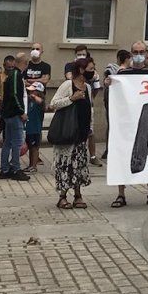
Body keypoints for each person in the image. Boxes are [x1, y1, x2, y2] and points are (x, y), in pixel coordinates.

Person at [109, 42, 148, 207]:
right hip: (127, 122)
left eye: (141, 51)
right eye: (135, 52)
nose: (139, 54)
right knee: (123, 154)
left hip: (147, 120)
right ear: (131, 54)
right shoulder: (123, 74)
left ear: (146, 53)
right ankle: (121, 194)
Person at [50, 57, 93, 209]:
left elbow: (89, 109)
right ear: (81, 70)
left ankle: (78, 195)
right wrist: (71, 98)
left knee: (79, 165)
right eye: (90, 68)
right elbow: (53, 103)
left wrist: (90, 128)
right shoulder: (68, 85)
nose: (92, 72)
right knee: (66, 165)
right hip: (68, 132)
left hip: (81, 133)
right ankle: (62, 196)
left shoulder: (87, 87)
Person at [0, 54, 29, 180]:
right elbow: (15, 95)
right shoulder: (16, 75)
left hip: (7, 113)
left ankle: (5, 169)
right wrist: (21, 111)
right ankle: (15, 168)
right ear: (25, 63)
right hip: (14, 114)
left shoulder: (10, 75)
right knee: (17, 142)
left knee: (8, 142)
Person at [23, 44, 51, 172]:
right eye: (32, 48)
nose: (35, 51)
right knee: (28, 135)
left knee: (35, 134)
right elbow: (22, 80)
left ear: (42, 51)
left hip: (38, 100)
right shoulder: (26, 65)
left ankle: (34, 163)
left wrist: (30, 81)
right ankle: (32, 163)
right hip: (26, 100)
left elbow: (45, 80)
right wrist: (35, 81)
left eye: (37, 49)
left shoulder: (45, 66)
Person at [100, 47, 131, 162]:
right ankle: (110, 149)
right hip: (112, 101)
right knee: (112, 125)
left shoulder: (129, 70)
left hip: (120, 102)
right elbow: (107, 80)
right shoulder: (112, 69)